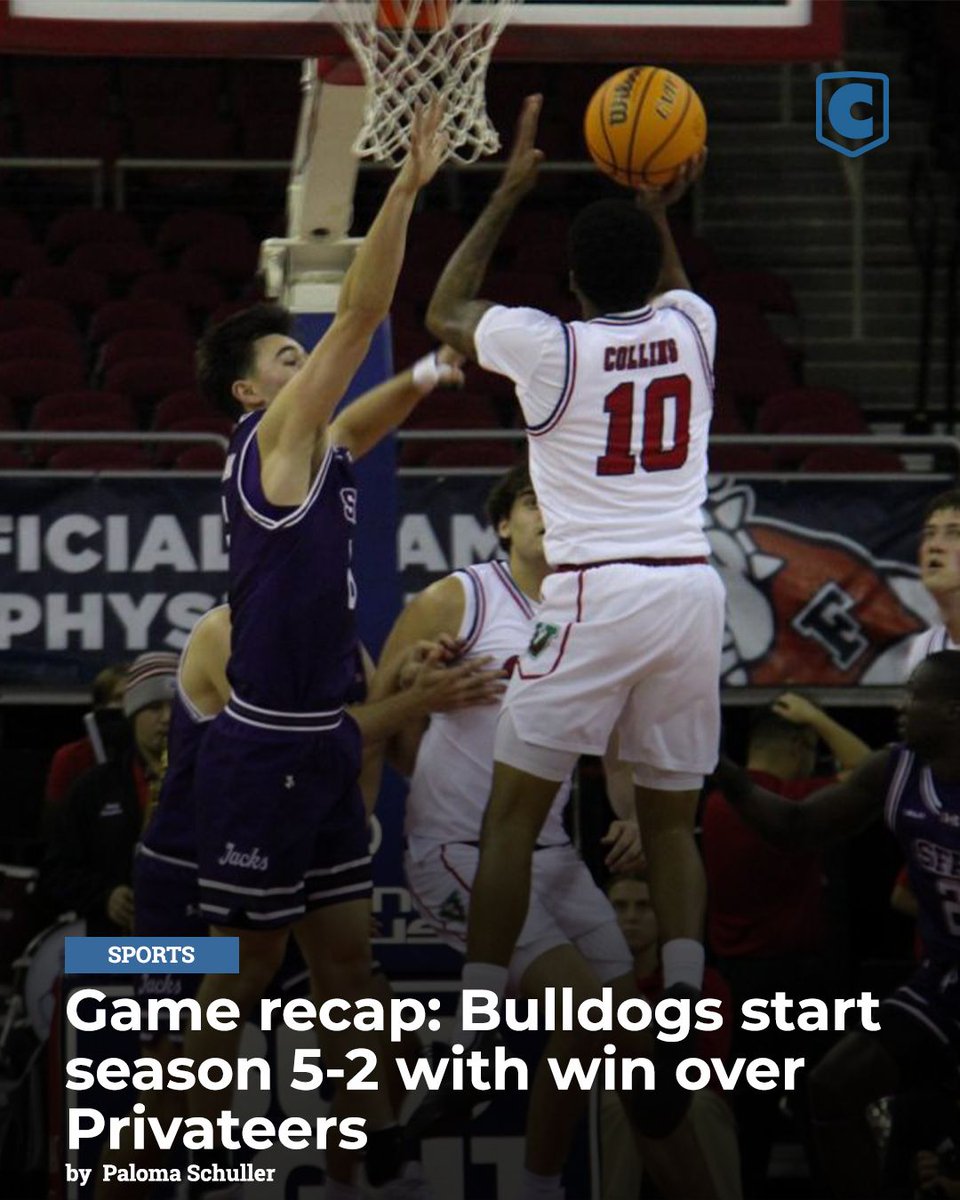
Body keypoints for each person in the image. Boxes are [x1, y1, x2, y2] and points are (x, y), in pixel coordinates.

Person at [416, 93, 723, 1129]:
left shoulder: (555, 349)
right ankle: (681, 1005)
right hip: (692, 584)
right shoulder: (695, 328)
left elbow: (445, 315)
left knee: (511, 814)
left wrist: (505, 196)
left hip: (595, 591)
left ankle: (473, 1024)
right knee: (674, 823)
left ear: (574, 283)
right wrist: (656, 202)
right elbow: (670, 282)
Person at [181, 101, 465, 1196]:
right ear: (253, 391)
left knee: (351, 970)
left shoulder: (315, 443)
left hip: (322, 745)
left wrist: (435, 377)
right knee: (241, 983)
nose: (311, 368)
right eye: (289, 357)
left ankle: (370, 1164)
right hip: (261, 752)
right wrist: (403, 187)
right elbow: (363, 309)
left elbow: (363, 422)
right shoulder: (272, 438)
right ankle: (156, 1166)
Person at [374, 463, 723, 1200]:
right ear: (504, 523)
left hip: (554, 854)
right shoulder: (460, 595)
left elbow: (623, 738)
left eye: (560, 497)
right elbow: (377, 708)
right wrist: (420, 692)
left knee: (633, 1069)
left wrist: (630, 811)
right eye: (533, 500)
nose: (550, 512)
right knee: (595, 1019)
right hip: (458, 850)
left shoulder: (596, 612)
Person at [95, 604, 500, 1200]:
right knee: (164, 1094)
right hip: (185, 874)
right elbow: (299, 744)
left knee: (388, 1039)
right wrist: (410, 700)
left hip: (289, 860)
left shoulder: (342, 643)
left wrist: (404, 683)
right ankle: (203, 1179)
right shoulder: (227, 630)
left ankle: (350, 1184)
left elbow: (366, 760)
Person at [711, 650, 960, 1200]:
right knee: (831, 1087)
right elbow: (797, 827)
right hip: (943, 981)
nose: (901, 705)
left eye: (915, 694)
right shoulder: (895, 771)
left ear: (951, 711)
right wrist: (721, 768)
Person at [701, 693, 870, 1197]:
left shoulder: (713, 805)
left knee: (746, 1122)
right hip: (798, 985)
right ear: (800, 747)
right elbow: (873, 770)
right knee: (821, 1113)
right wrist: (817, 717)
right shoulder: (799, 802)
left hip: (735, 984)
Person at [601, 873, 742, 1200]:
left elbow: (707, 1064)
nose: (631, 917)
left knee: (701, 1105)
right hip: (609, 1091)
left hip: (689, 1091)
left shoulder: (704, 984)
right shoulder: (586, 978)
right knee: (614, 1104)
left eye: (644, 906)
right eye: (619, 907)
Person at [41, 652, 176, 934]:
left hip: (195, 951)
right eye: (153, 707)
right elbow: (56, 871)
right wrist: (105, 896)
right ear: (133, 713)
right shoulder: (94, 788)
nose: (166, 718)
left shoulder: (213, 785)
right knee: (82, 968)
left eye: (176, 707)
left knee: (230, 962)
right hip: (113, 949)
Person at [43, 660, 128, 808]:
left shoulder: (164, 755)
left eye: (134, 697)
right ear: (101, 705)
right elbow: (56, 821)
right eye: (119, 698)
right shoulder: (71, 757)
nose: (127, 705)